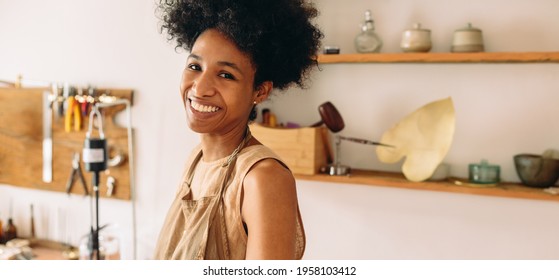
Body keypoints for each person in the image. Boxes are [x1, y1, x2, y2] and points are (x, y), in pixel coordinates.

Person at [153, 0, 323, 260]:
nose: (200, 88)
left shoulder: (263, 178)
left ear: (260, 91)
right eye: (195, 67)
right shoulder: (196, 160)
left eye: (226, 75)